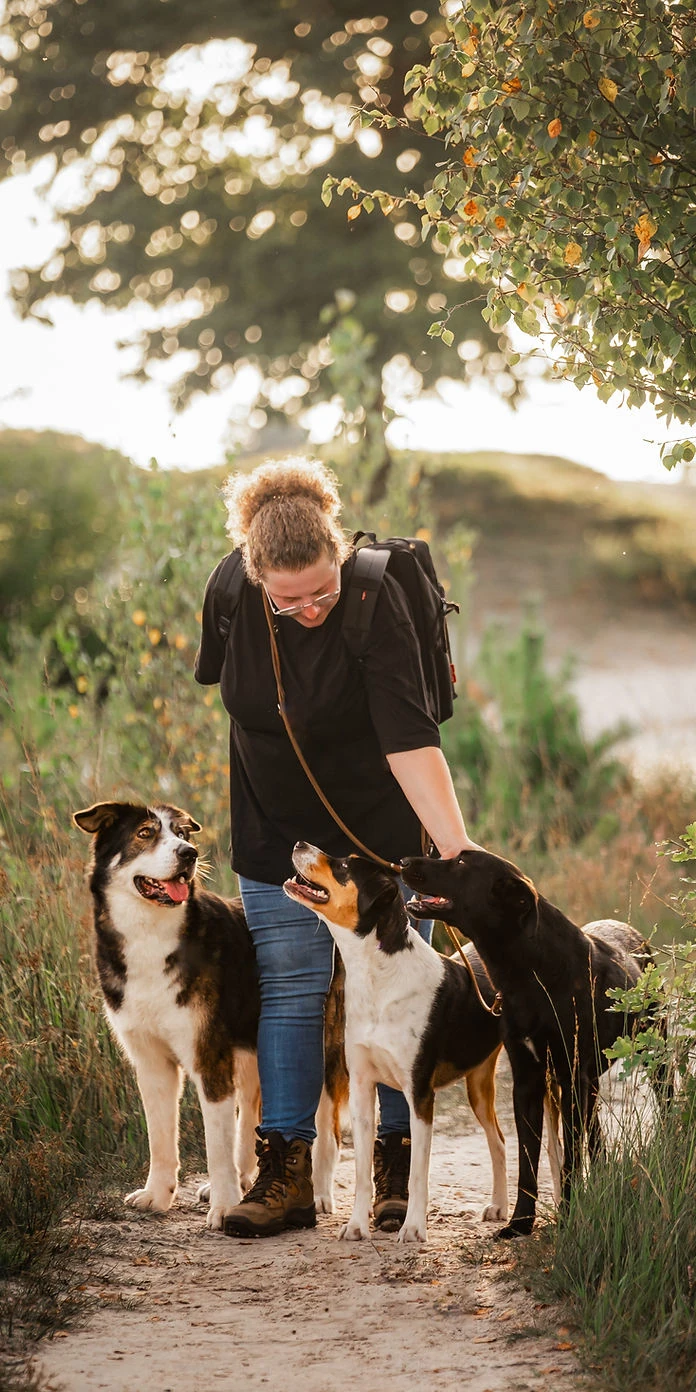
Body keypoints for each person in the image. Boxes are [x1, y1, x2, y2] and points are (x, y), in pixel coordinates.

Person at [194, 457, 479, 1238]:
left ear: (339, 559)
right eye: (288, 600)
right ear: (254, 578)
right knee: (288, 983)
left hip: (377, 836)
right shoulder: (229, 592)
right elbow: (229, 693)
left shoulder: (373, 599)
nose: (310, 607)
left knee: (394, 988)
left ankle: (392, 1160)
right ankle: (285, 1170)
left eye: (322, 588)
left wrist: (456, 857)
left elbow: (411, 742)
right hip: (272, 828)